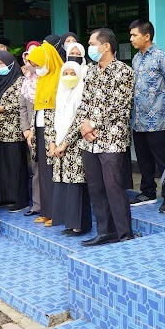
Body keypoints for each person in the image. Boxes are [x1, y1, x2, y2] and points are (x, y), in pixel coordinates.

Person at [61, 27, 135, 246]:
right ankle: (105, 231)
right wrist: (83, 128)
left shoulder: (124, 71)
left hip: (111, 139)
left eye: (93, 44)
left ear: (106, 46)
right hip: (89, 140)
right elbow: (85, 104)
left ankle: (124, 233)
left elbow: (120, 105)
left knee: (114, 186)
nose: (90, 48)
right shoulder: (91, 71)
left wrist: (93, 124)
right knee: (96, 187)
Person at [129, 19, 165, 211]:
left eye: (134, 35)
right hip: (139, 120)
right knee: (143, 159)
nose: (131, 38)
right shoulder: (135, 59)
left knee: (163, 161)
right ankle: (147, 192)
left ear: (146, 36)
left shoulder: (162, 57)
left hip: (158, 121)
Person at [50, 62, 92, 235]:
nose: (68, 76)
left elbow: (79, 121)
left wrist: (65, 143)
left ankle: (80, 225)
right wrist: (52, 143)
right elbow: (52, 120)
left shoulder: (82, 93)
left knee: (76, 185)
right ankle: (68, 222)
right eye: (65, 73)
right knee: (63, 185)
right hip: (59, 148)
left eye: (72, 72)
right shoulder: (59, 93)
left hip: (75, 146)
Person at [0, 50, 28, 212]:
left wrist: (1, 109)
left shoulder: (19, 81)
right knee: (0, 165)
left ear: (11, 64)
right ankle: (3, 197)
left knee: (15, 165)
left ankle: (20, 199)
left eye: (2, 64)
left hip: (13, 131)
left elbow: (20, 105)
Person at [27, 41, 63, 225]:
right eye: (34, 66)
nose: (36, 69)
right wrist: (33, 130)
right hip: (40, 129)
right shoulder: (43, 79)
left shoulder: (60, 78)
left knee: (53, 174)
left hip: (54, 133)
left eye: (38, 65)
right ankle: (46, 211)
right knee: (42, 172)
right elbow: (38, 108)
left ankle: (56, 213)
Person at [19, 42, 42, 217]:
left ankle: (49, 206)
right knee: (36, 168)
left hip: (44, 130)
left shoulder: (45, 79)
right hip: (31, 133)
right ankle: (37, 205)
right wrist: (26, 129)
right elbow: (23, 108)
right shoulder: (26, 82)